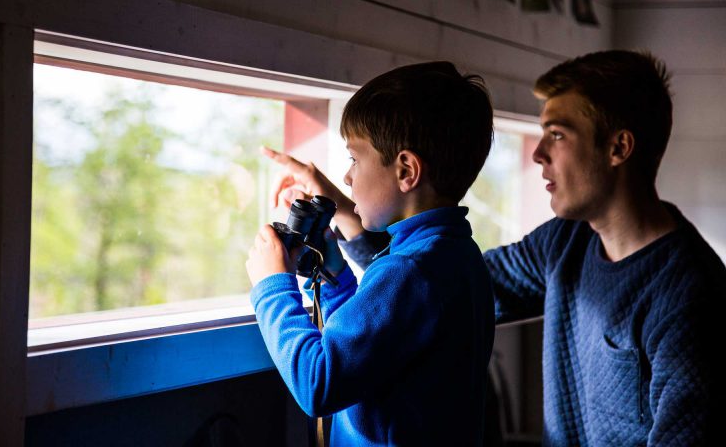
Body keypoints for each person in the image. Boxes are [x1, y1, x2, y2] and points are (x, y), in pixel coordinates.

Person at [264, 50, 726, 446]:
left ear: (618, 147)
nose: (537, 154)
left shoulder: (690, 295)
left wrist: (273, 284)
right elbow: (437, 294)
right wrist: (352, 213)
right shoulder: (566, 242)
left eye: (559, 135)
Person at [245, 61, 496, 446]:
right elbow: (374, 347)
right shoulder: (456, 254)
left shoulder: (410, 271)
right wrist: (332, 275)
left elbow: (319, 383)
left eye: (354, 159)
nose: (346, 178)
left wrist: (271, 285)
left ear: (406, 171)